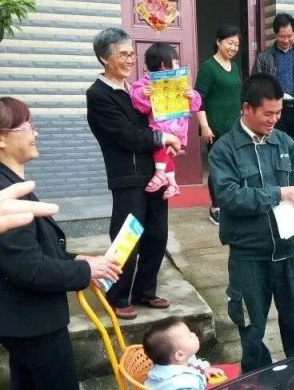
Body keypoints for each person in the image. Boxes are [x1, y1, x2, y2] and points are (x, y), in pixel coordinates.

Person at [208, 73, 294, 373]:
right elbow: (229, 197)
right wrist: (277, 193)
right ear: (247, 108)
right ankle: (258, 381)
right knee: (252, 334)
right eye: (268, 113)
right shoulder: (224, 149)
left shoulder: (284, 141)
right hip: (249, 256)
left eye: (278, 112)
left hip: (290, 253)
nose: (275, 119)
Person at [0, 97, 121, 390]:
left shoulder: (12, 184)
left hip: (24, 322)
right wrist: (86, 271)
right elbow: (29, 268)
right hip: (33, 322)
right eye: (27, 126)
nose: (36, 133)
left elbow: (36, 250)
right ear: (2, 138)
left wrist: (77, 260)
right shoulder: (7, 194)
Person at [87, 28, 182, 320]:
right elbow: (125, 134)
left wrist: (174, 131)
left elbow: (161, 118)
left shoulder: (137, 90)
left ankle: (145, 291)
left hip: (154, 172)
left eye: (132, 54)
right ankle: (117, 296)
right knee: (127, 236)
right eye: (123, 54)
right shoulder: (99, 94)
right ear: (105, 58)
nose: (130, 60)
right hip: (126, 175)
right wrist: (163, 138)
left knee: (157, 234)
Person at [131, 43, 203, 200]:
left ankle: (160, 174)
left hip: (177, 129)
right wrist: (142, 94)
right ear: (164, 65)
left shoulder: (180, 81)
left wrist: (192, 96)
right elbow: (139, 105)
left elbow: (195, 105)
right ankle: (172, 183)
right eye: (175, 62)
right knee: (164, 152)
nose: (178, 65)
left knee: (162, 151)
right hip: (160, 128)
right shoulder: (145, 83)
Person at [252, 12, 294, 160]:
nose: (286, 40)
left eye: (290, 36)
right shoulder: (264, 57)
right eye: (282, 36)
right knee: (274, 152)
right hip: (274, 112)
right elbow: (254, 83)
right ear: (275, 34)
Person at [195, 24, 242, 226]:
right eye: (229, 43)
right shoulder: (208, 67)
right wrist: (204, 126)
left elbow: (237, 97)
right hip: (214, 128)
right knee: (218, 167)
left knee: (234, 166)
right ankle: (216, 207)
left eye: (236, 44)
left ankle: (230, 202)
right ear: (218, 42)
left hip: (234, 127)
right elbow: (198, 98)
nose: (233, 48)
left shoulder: (235, 67)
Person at [143, 317, 224, 390]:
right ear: (180, 355)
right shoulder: (185, 385)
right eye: (189, 336)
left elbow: (192, 366)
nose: (194, 334)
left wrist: (203, 371)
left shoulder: (166, 367)